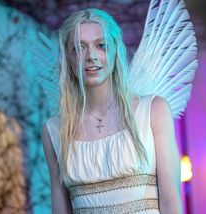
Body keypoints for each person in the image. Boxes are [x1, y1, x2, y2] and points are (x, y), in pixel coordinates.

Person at [41, 8, 182, 214]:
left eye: (101, 46)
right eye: (79, 48)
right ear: (69, 60)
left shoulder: (154, 111)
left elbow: (171, 203)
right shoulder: (53, 130)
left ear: (115, 50)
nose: (91, 56)